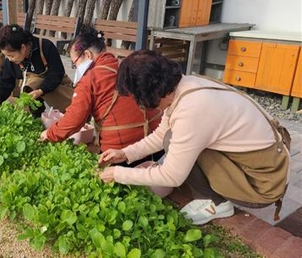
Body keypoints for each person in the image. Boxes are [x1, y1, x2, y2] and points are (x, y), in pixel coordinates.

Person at [98, 50, 291, 225]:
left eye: (137, 97)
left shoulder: (193, 108)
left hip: (262, 183)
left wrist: (118, 174)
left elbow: (171, 176)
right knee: (171, 139)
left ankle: (218, 205)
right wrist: (124, 154)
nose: (138, 103)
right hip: (264, 162)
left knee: (176, 143)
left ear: (151, 93)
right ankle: (214, 198)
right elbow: (161, 135)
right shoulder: (182, 85)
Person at [39, 29, 163, 158]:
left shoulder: (90, 80)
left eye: (75, 63)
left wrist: (49, 134)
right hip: (155, 139)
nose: (76, 69)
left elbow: (74, 119)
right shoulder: (124, 64)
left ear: (87, 55)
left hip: (122, 149)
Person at [0, 24, 74, 117]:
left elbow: (56, 74)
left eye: (11, 56)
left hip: (56, 87)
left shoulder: (45, 46)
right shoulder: (11, 62)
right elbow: (5, 83)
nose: (9, 59)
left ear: (23, 48)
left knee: (72, 112)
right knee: (30, 86)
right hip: (35, 91)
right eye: (7, 56)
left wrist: (40, 91)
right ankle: (35, 116)